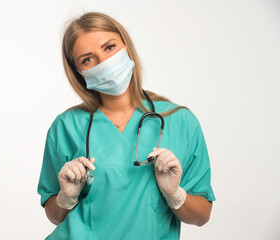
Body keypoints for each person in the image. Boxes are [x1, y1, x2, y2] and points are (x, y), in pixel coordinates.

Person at [37, 12, 215, 240]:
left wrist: (175, 195)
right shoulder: (66, 127)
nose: (104, 62)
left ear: (126, 47)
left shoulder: (181, 122)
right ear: (79, 72)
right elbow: (54, 215)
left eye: (109, 47)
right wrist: (65, 197)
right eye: (87, 59)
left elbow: (202, 216)